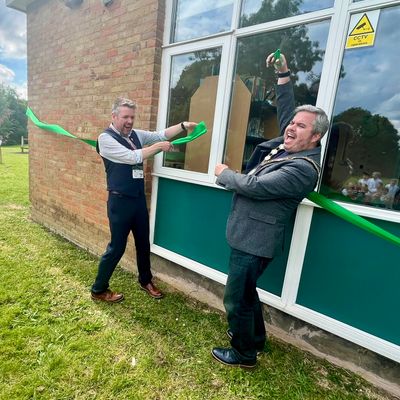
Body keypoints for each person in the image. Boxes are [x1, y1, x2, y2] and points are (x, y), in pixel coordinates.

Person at [212, 52, 330, 368]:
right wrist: (284, 74)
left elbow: (257, 187)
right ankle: (257, 340)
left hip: (256, 242)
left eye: (300, 126)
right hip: (248, 236)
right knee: (248, 293)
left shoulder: (304, 167)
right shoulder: (293, 143)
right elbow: (288, 114)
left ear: (315, 136)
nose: (291, 128)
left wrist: (225, 174)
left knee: (236, 299)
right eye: (291, 123)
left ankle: (243, 354)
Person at [91, 97, 197, 302]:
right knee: (117, 248)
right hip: (119, 202)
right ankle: (98, 289)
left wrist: (183, 126)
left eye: (132, 116)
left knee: (143, 242)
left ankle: (145, 280)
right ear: (114, 116)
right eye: (125, 117)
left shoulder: (135, 135)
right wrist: (159, 147)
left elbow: (160, 134)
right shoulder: (105, 139)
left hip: (138, 200)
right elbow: (133, 157)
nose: (129, 121)